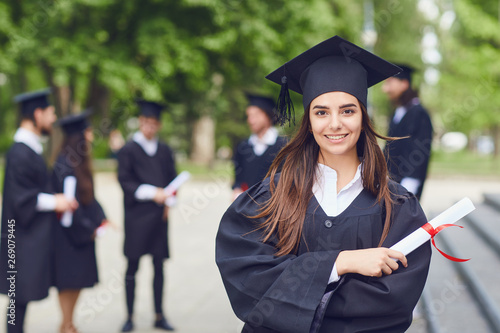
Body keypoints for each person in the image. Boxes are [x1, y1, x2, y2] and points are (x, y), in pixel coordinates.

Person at [216, 36, 432, 333]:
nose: (334, 124)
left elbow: (393, 302)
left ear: (363, 117)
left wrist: (301, 294)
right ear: (308, 120)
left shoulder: (396, 206)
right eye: (321, 112)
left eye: (347, 110)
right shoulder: (270, 196)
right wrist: (341, 263)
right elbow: (248, 279)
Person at [0, 89, 77, 333]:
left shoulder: (30, 148)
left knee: (20, 296)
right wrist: (57, 202)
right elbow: (20, 199)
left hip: (26, 237)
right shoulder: (19, 151)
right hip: (20, 239)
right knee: (18, 298)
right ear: (37, 113)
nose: (53, 119)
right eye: (50, 113)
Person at [117, 100, 177, 332]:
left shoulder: (164, 150)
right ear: (140, 122)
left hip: (158, 218)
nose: (149, 127)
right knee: (132, 266)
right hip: (136, 217)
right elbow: (125, 181)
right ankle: (129, 316)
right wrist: (154, 193)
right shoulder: (129, 150)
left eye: (153, 124)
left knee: (159, 266)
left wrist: (169, 199)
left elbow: (172, 180)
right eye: (146, 123)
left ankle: (159, 315)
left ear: (158, 125)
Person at [51, 111, 108, 333]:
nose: (91, 134)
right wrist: (88, 229)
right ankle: (66, 324)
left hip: (81, 233)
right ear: (79, 137)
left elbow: (87, 197)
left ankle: (68, 322)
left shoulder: (79, 162)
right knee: (68, 280)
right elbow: (70, 205)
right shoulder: (63, 164)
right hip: (67, 235)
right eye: (87, 131)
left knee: (77, 280)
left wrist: (101, 218)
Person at [382, 64, 433, 200]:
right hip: (391, 183)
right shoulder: (398, 112)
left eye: (389, 83)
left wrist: (410, 185)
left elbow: (421, 150)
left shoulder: (419, 113)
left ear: (404, 84)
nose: (385, 89)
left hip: (406, 186)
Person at [232, 94, 288, 200]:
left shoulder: (284, 147)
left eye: (256, 115)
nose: (251, 120)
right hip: (246, 205)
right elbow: (238, 178)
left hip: (274, 206)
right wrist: (237, 190)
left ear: (268, 116)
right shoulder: (243, 147)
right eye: (249, 116)